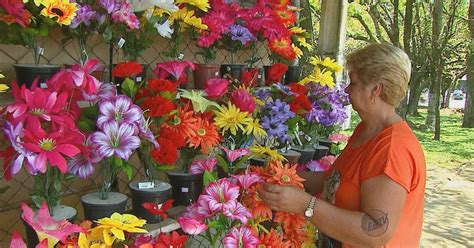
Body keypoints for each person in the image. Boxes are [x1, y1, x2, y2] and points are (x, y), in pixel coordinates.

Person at [258, 43, 426, 247]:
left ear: (375, 89)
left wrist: (305, 205)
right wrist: (281, 177)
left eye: (353, 82)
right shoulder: (366, 130)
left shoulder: (392, 148)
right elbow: (337, 180)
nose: (347, 89)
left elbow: (376, 231)